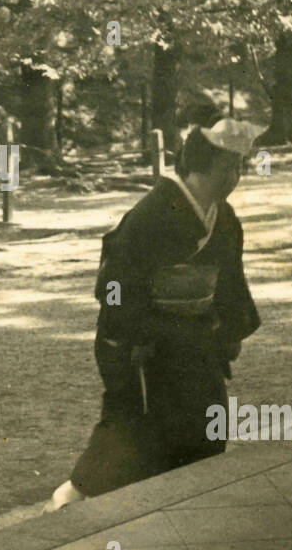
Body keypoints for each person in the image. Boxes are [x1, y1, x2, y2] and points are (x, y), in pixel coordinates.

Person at [47, 112, 263, 510]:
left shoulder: (225, 218)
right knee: (132, 443)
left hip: (196, 345)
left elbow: (231, 285)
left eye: (239, 166)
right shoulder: (149, 216)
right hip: (143, 347)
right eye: (229, 166)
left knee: (204, 435)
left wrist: (229, 331)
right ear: (202, 162)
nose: (236, 176)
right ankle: (68, 503)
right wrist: (133, 334)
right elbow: (113, 289)